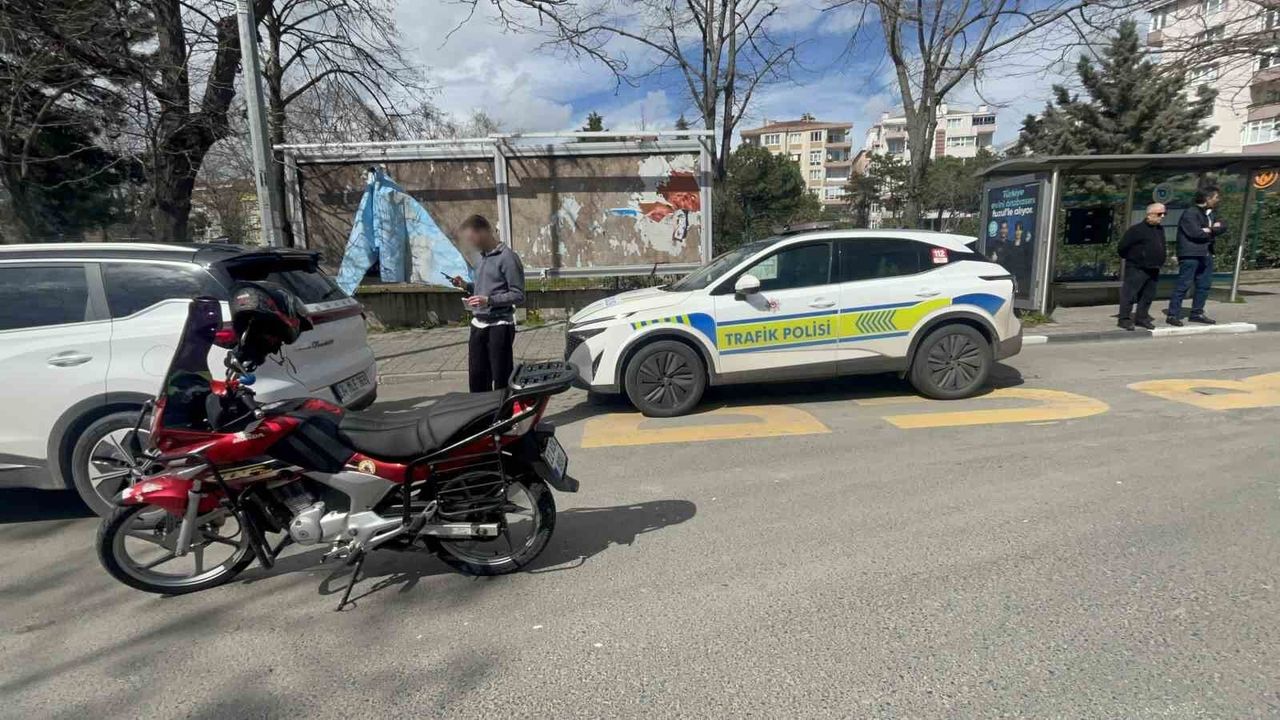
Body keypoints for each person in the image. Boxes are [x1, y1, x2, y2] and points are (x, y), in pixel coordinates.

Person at [450, 215, 525, 392]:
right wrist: (466, 286)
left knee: (501, 376)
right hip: (479, 324)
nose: (471, 244)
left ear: (483, 232)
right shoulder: (482, 258)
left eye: (472, 239)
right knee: (477, 376)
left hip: (499, 325)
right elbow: (485, 287)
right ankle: (480, 408)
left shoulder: (508, 258)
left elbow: (518, 295)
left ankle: (502, 408)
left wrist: (489, 301)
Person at [1165, 186, 1228, 326]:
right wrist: (1212, 229)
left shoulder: (1211, 213)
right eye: (1216, 197)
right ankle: (1173, 314)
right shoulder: (1190, 213)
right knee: (1184, 284)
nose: (1218, 200)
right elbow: (1195, 233)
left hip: (1206, 253)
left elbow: (1223, 225)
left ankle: (1197, 313)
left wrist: (1209, 230)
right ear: (1207, 198)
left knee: (1204, 285)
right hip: (1191, 254)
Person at [1116, 203, 1168, 330]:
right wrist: (1136, 258)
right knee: (1130, 294)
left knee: (1148, 295)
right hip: (1137, 268)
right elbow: (1122, 248)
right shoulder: (1136, 230)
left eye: (1164, 214)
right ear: (1149, 214)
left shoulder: (1160, 229)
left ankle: (1141, 318)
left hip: (1154, 268)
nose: (1162, 216)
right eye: (1159, 214)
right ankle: (1124, 319)